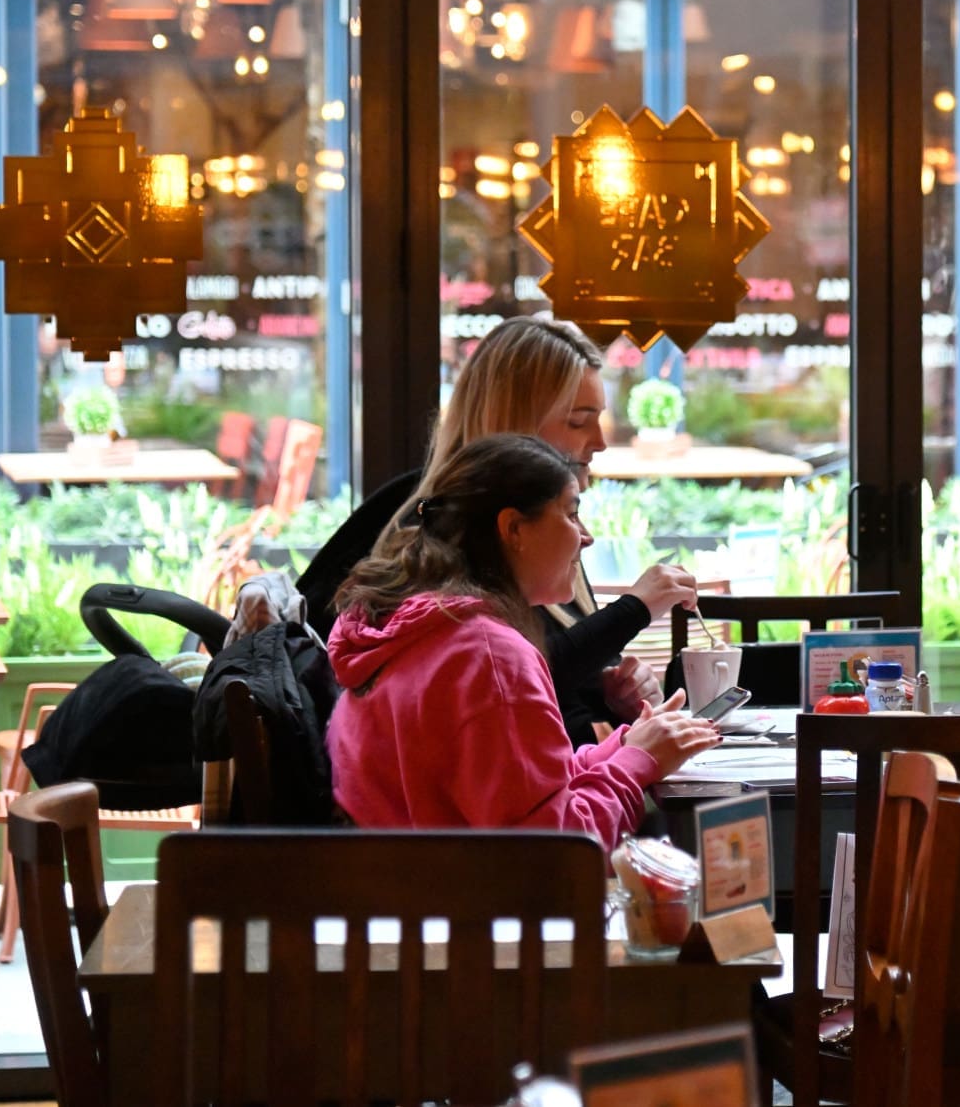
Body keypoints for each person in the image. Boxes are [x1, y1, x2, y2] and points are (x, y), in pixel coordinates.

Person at [297, 316, 701, 744]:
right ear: (515, 424)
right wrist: (632, 610)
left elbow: (553, 682)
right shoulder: (434, 525)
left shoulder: (546, 521)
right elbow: (498, 680)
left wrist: (610, 689)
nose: (600, 442)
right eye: (579, 421)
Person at [326, 433, 718, 836]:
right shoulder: (488, 656)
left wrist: (624, 748)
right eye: (570, 514)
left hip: (399, 888)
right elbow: (552, 849)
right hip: (470, 895)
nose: (586, 536)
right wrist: (638, 762)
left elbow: (520, 790)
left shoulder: (413, 628)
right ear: (513, 528)